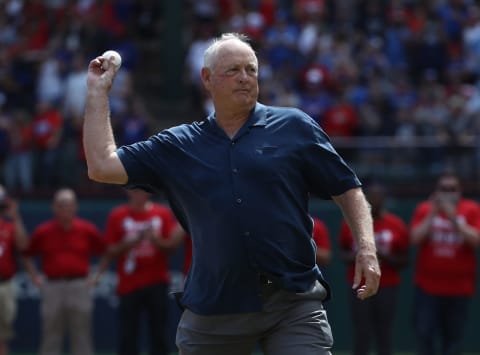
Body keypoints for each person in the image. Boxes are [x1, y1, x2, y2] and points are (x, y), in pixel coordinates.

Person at [83, 32, 381, 355]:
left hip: (292, 302)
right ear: (207, 79)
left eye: (251, 70)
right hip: (215, 308)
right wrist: (98, 93)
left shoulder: (294, 127)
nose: (244, 78)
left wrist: (366, 247)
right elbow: (101, 166)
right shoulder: (179, 145)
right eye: (233, 70)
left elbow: (347, 187)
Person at [90, 188, 184, 355]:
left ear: (149, 192)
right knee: (127, 334)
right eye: (134, 190)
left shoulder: (162, 213)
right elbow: (110, 250)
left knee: (159, 333)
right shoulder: (117, 215)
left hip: (157, 282)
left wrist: (156, 240)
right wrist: (128, 243)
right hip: (128, 284)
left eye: (141, 190)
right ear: (127, 192)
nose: (138, 194)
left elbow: (170, 247)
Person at [22, 188, 105, 355]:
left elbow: (105, 252)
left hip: (79, 285)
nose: (65, 209)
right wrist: (34, 277)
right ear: (53, 207)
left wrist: (97, 276)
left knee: (81, 334)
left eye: (69, 205)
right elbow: (26, 254)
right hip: (52, 286)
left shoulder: (86, 229)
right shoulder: (43, 231)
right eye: (61, 205)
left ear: (75, 207)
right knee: (51, 334)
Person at [409, 171, 480, 355]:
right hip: (428, 288)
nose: (448, 193)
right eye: (443, 189)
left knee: (453, 340)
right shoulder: (425, 209)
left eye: (452, 189)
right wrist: (433, 212)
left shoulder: (471, 208)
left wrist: (453, 217)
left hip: (459, 289)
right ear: (436, 190)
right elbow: (415, 238)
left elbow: (475, 240)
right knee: (424, 336)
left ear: (460, 191)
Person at [338, 181, 409, 355]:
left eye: (379, 196)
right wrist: (360, 257)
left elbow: (405, 259)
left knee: (384, 332)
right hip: (359, 283)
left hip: (387, 284)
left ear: (385, 199)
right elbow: (342, 252)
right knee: (361, 332)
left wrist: (384, 257)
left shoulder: (396, 224)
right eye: (372, 197)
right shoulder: (351, 221)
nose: (375, 200)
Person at [0, 185, 29, 355]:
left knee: (2, 337)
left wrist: (16, 217)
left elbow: (24, 246)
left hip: (4, 285)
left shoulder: (9, 226)